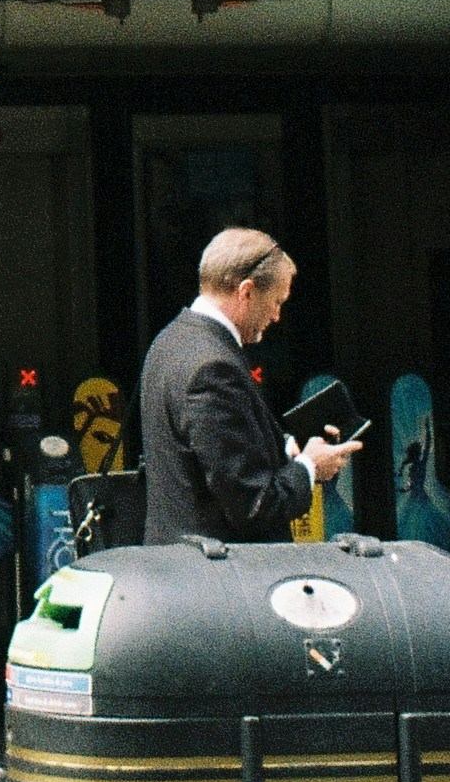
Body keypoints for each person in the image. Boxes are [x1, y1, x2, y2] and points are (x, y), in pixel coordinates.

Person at [136, 228, 360, 546]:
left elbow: (208, 460)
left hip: (182, 568)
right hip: (219, 580)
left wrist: (281, 449)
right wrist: (310, 467)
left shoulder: (168, 342)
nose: (278, 315)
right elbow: (253, 507)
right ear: (247, 292)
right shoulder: (213, 367)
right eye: (276, 301)